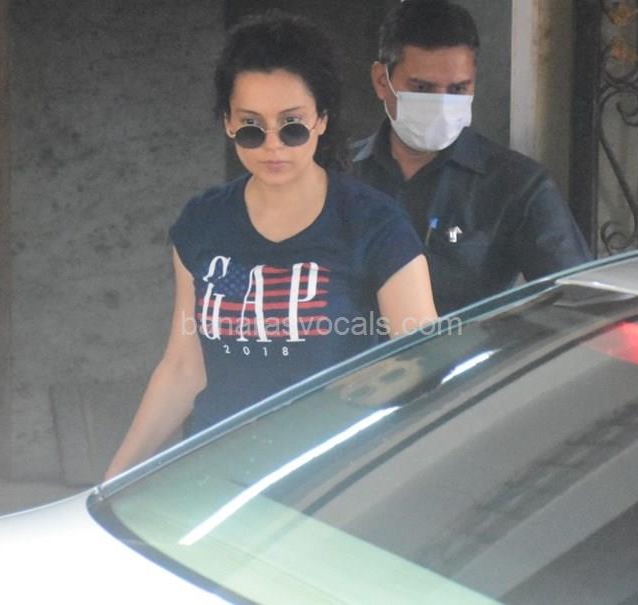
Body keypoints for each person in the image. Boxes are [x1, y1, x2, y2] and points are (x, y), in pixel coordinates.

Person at [105, 11, 438, 479]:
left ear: (322, 120)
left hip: (332, 479)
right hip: (216, 473)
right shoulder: (202, 223)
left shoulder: (375, 225)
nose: (273, 145)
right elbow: (183, 368)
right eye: (251, 127)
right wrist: (112, 481)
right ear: (227, 123)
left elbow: (422, 366)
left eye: (292, 125)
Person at [351, 0, 591, 315]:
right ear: (382, 82)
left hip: (469, 346)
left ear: (474, 83)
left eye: (457, 89)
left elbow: (579, 303)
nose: (440, 104)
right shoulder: (336, 176)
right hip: (351, 345)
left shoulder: (517, 186)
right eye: (421, 87)